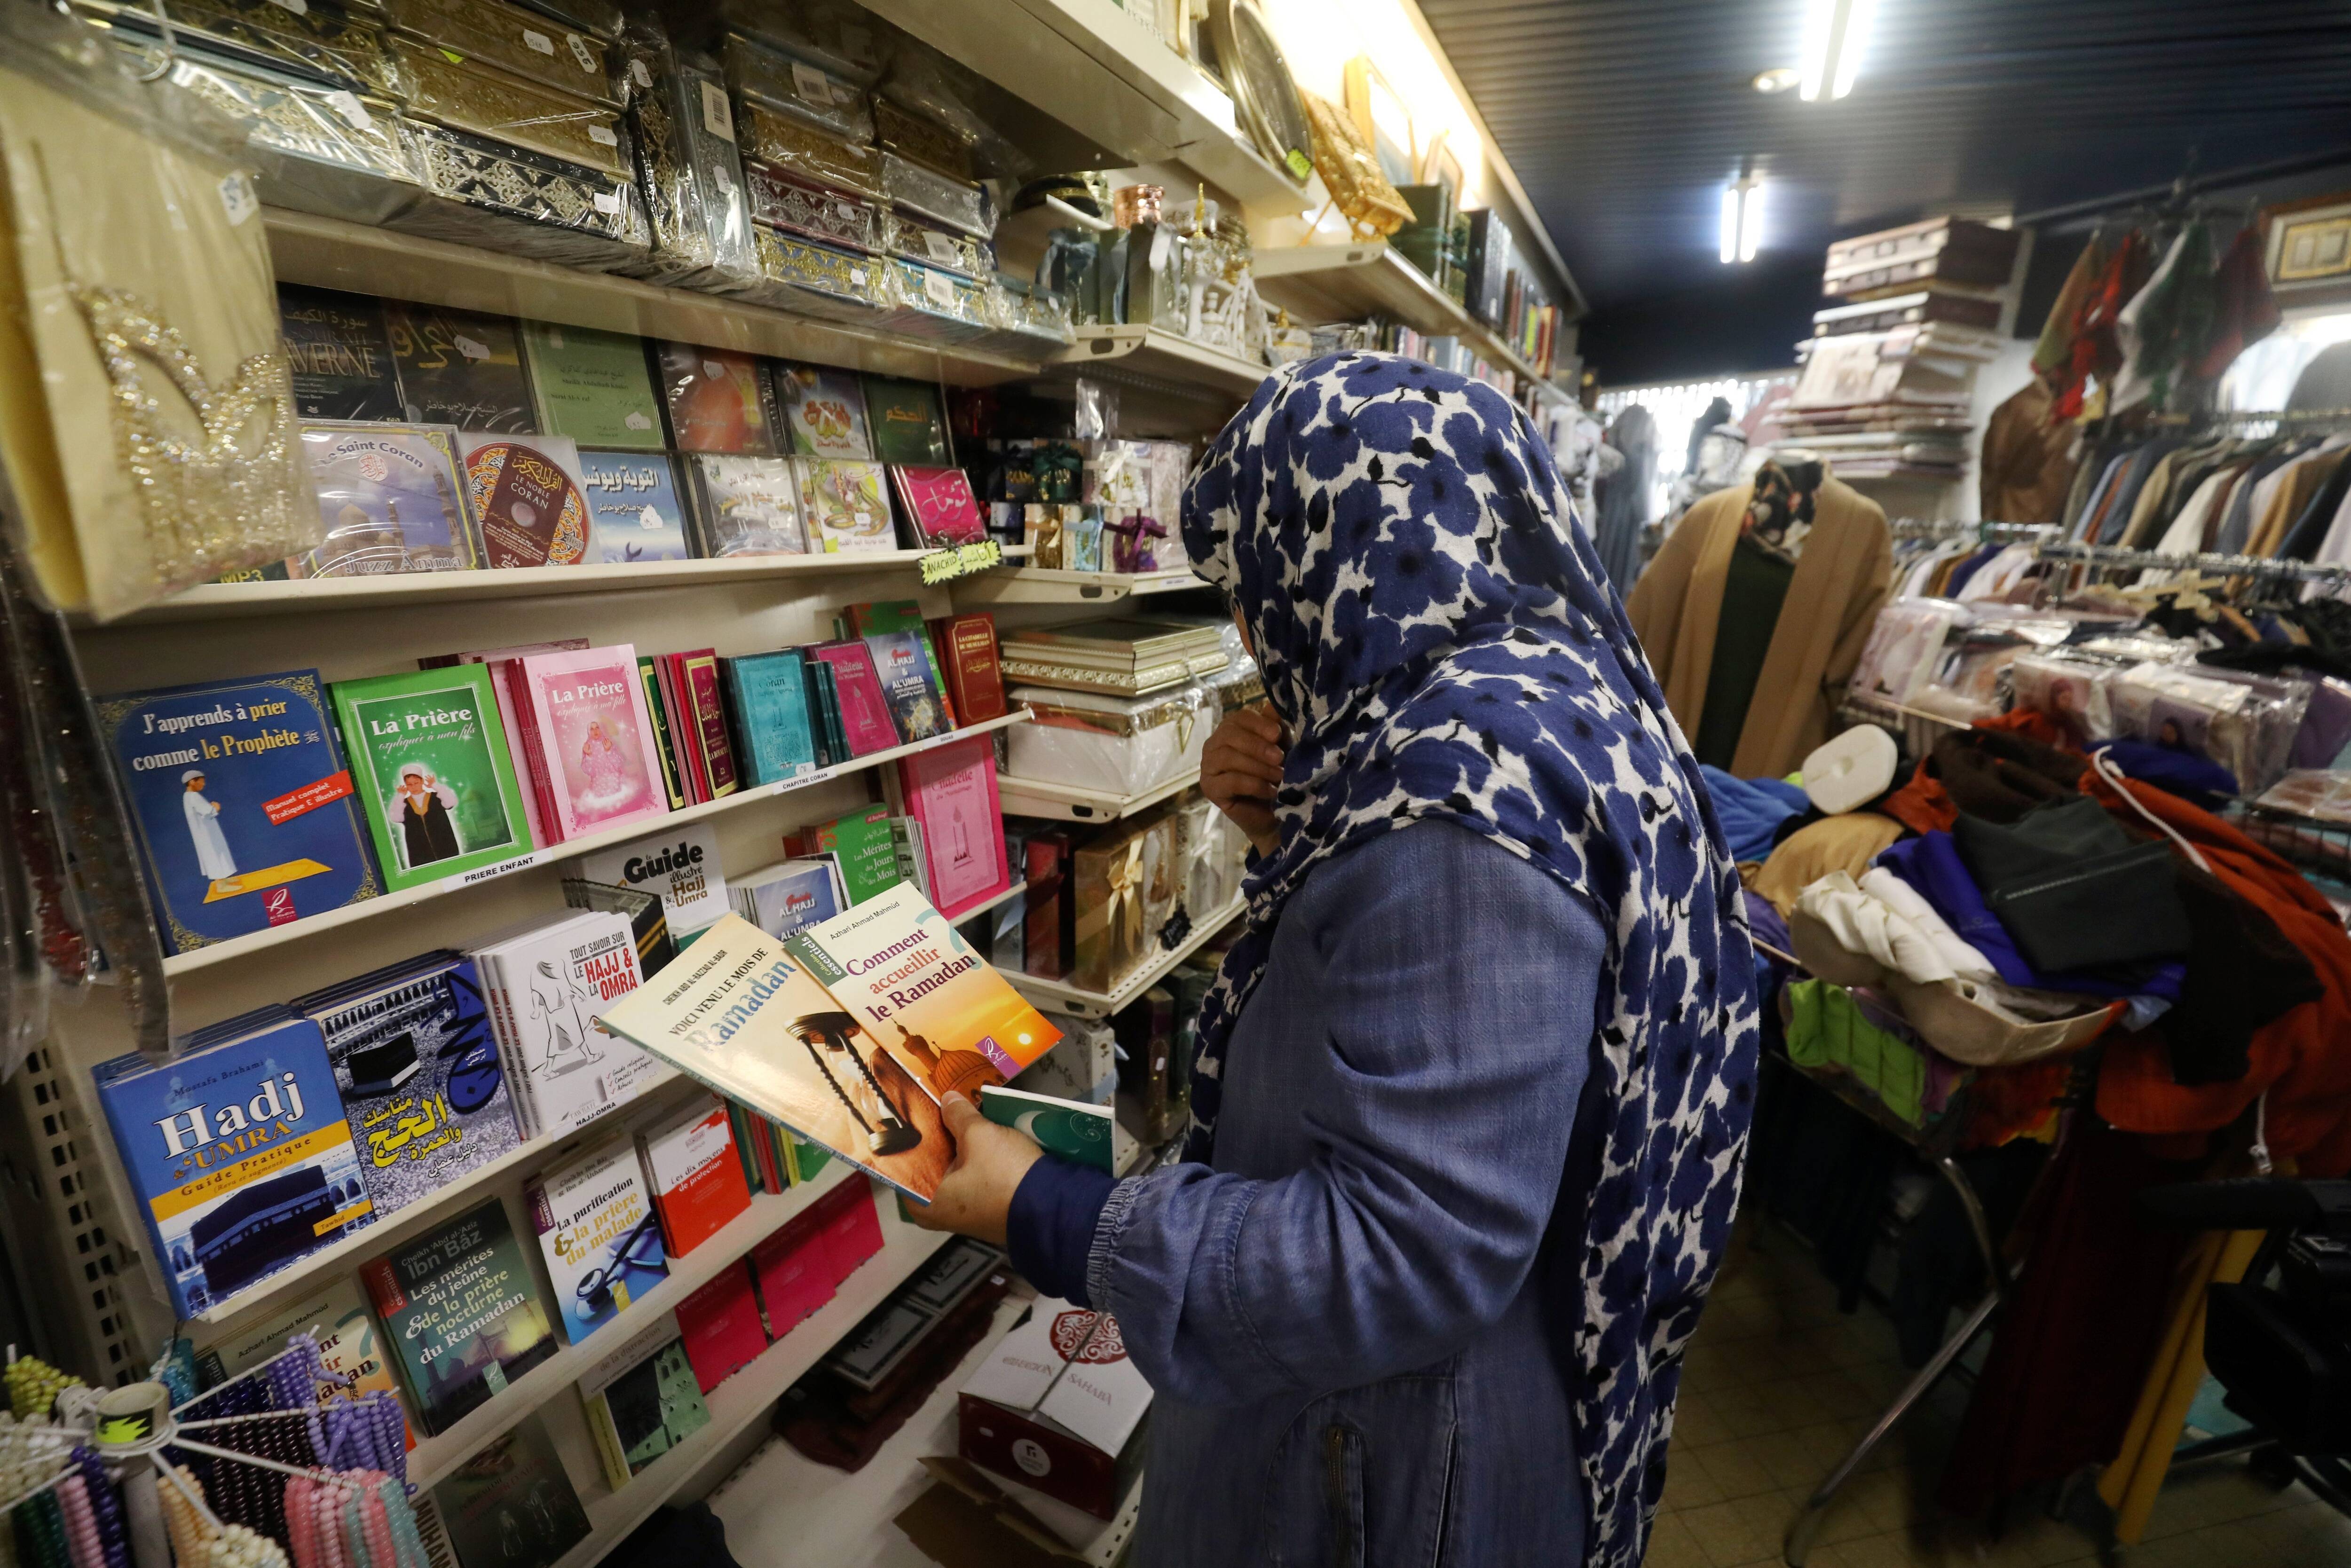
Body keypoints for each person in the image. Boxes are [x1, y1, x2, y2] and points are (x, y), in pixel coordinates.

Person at [915, 355, 1760, 1566]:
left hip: (1383, 1462)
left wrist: (1048, 1208)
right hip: (1446, 1410)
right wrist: (1296, 837)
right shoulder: (1539, 699)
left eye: (1254, 585)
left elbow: (1408, 1251)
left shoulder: (1451, 799)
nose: (1255, 632)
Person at [181, 770, 237, 883]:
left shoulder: (188, 796)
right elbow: (208, 812)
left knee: (218, 852)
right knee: (213, 854)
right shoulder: (193, 796)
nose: (204, 784)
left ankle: (223, 878)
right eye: (201, 782)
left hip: (207, 831)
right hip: (206, 833)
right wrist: (216, 807)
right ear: (192, 782)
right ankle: (221, 884)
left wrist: (210, 808)